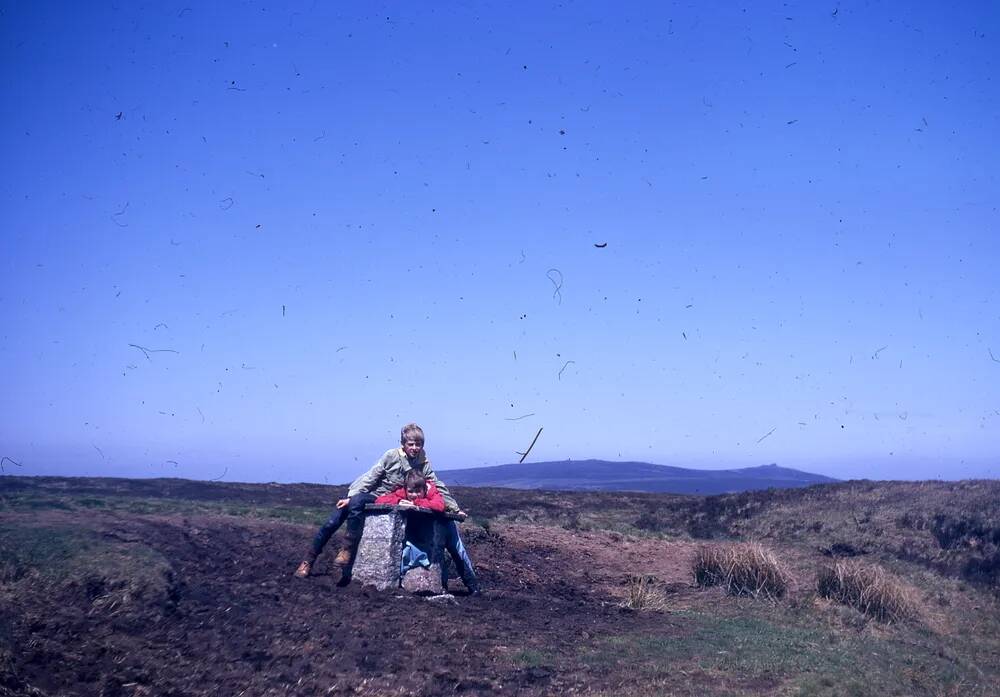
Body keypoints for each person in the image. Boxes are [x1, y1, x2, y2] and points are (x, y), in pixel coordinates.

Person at [294, 423, 481, 595]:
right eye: (411, 444)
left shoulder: (423, 462)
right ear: (403, 443)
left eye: (419, 444)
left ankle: (346, 553)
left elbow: (436, 485)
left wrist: (454, 508)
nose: (415, 448)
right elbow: (371, 476)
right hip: (373, 494)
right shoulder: (391, 455)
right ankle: (313, 560)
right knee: (333, 521)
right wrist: (350, 497)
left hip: (394, 497)